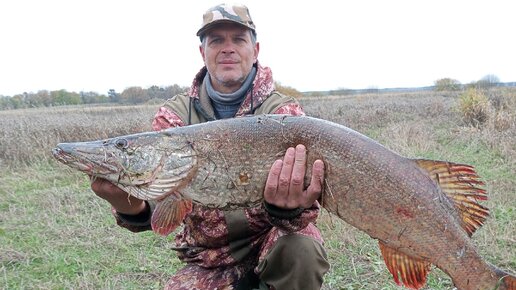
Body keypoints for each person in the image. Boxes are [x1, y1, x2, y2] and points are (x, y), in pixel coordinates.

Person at [91, 4, 330, 290]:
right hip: (209, 258)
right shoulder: (175, 117)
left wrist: (287, 209)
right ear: (202, 52)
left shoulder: (283, 113)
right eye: (216, 40)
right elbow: (158, 206)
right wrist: (123, 201)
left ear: (255, 50)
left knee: (301, 249)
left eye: (238, 39)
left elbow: (307, 209)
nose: (227, 48)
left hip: (274, 239)